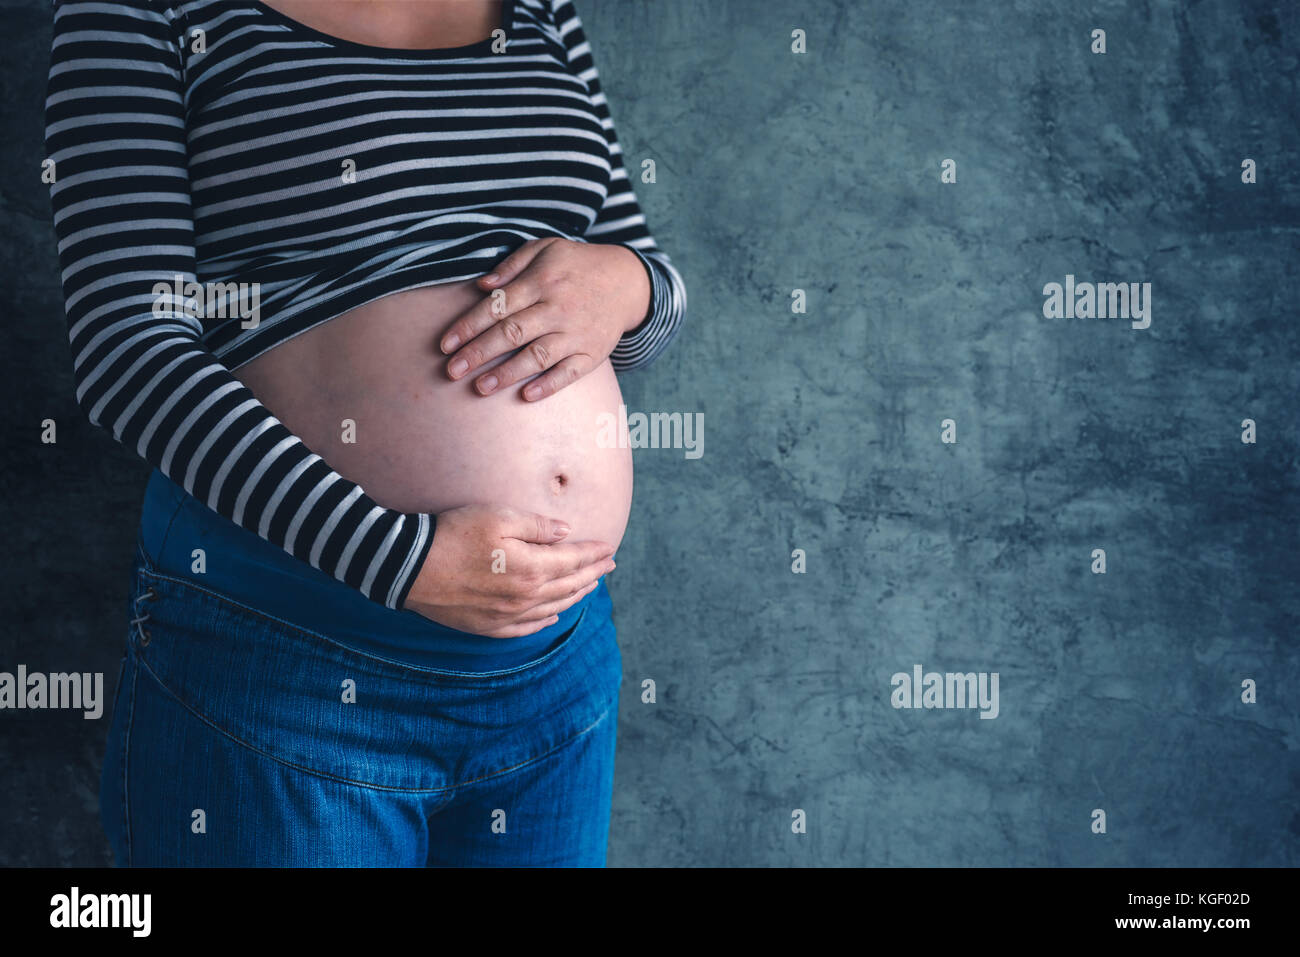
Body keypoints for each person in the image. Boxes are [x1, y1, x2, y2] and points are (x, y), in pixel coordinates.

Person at [44, 0, 686, 866]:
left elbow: (638, 286)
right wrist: (397, 558)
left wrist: (632, 287)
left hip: (554, 667)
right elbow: (130, 349)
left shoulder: (540, 7)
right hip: (291, 665)